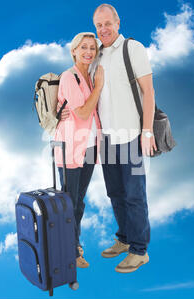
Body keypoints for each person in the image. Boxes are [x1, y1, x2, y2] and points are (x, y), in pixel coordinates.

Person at [92, 3, 156, 273]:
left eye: (107, 23)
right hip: (106, 139)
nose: (103, 29)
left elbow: (149, 92)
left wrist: (147, 130)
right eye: (98, 25)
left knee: (134, 195)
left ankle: (139, 250)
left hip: (132, 136)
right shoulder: (96, 56)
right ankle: (124, 238)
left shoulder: (133, 48)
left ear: (118, 23)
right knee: (115, 193)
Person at [54, 32, 104, 268]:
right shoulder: (69, 77)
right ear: (74, 50)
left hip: (90, 146)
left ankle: (73, 243)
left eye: (92, 48)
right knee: (70, 202)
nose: (88, 52)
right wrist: (99, 88)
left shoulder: (90, 76)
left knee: (79, 201)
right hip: (71, 148)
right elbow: (83, 112)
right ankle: (70, 251)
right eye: (83, 47)